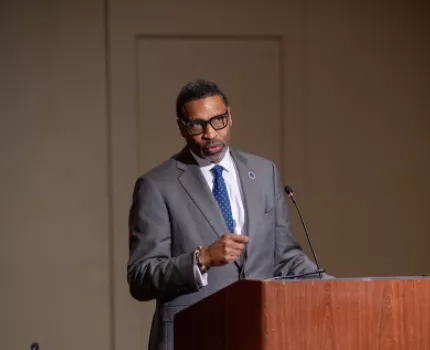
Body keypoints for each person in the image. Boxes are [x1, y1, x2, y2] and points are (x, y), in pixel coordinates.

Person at [127, 79, 331, 350]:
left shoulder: (263, 172)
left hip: (260, 332)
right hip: (193, 335)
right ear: (181, 127)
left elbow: (284, 257)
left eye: (218, 120)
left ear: (230, 117)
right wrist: (203, 258)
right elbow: (141, 278)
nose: (210, 133)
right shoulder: (157, 185)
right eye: (197, 125)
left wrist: (335, 289)